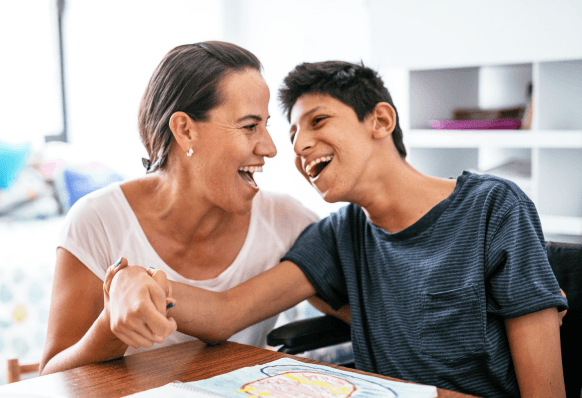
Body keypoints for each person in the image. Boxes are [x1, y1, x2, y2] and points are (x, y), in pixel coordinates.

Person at [108, 61, 569, 397]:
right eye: (291, 135)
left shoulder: (494, 208)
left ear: (380, 120)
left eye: (318, 121)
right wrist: (136, 281)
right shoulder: (340, 233)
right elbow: (227, 310)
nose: (299, 145)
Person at [37, 41, 319, 376]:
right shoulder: (97, 221)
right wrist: (112, 324)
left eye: (266, 125)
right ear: (185, 130)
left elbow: (358, 303)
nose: (270, 148)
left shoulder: (285, 220)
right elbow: (52, 381)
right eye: (249, 126)